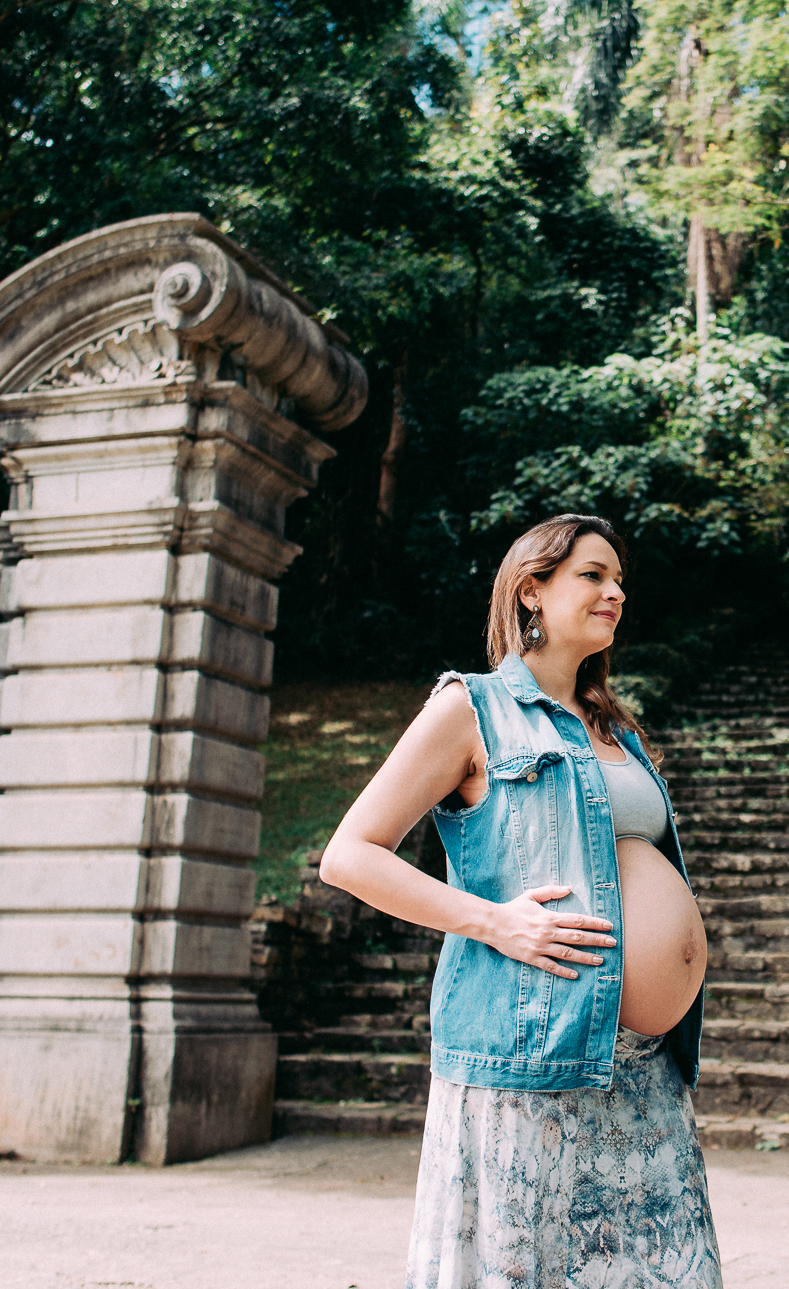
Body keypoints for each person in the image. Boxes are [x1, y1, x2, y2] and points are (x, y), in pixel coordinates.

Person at [321, 513, 721, 1288]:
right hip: (531, 1060)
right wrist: (494, 920)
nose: (616, 591)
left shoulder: (616, 729)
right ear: (531, 589)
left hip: (641, 1068)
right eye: (592, 574)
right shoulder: (471, 707)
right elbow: (350, 854)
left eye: (619, 578)